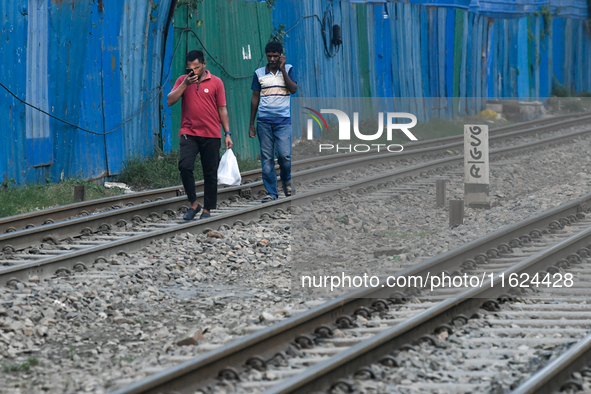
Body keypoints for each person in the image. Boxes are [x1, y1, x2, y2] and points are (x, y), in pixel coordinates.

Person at [167, 50, 233, 220]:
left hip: (211, 134)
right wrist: (185, 84)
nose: (193, 71)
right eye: (190, 68)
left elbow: (222, 109)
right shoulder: (182, 81)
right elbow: (169, 100)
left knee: (210, 173)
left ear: (204, 65)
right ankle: (194, 205)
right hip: (189, 132)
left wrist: (227, 133)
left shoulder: (216, 82)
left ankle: (207, 210)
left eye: (196, 67)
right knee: (185, 166)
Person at [249, 41, 297, 201]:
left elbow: (293, 89)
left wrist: (282, 69)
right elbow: (255, 99)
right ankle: (271, 192)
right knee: (267, 158)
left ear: (280, 56)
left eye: (275, 56)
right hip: (263, 122)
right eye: (269, 56)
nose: (272, 59)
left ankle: (287, 181)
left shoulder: (288, 69)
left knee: (284, 156)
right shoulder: (259, 73)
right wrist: (251, 124)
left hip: (283, 122)